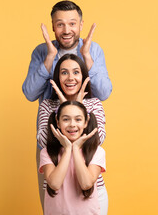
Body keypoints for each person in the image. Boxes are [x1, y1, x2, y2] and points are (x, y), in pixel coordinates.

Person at [37, 54, 108, 214]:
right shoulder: (47, 105)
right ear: (57, 77)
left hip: (90, 191)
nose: (70, 78)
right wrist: (64, 106)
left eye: (76, 72)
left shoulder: (94, 103)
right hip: (58, 192)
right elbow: (43, 141)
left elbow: (98, 139)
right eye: (64, 72)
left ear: (83, 76)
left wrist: (77, 105)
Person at [22, 0, 112, 104]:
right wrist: (50, 57)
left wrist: (86, 55)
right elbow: (30, 94)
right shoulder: (41, 51)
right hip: (49, 118)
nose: (66, 31)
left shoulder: (94, 50)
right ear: (53, 26)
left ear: (81, 25)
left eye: (72, 24)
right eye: (60, 24)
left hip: (85, 119)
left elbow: (104, 94)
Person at [39, 100, 106, 215]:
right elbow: (54, 184)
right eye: (66, 119)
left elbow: (86, 184)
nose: (72, 124)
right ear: (58, 123)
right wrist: (68, 149)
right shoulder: (47, 152)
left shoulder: (97, 151)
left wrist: (75, 149)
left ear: (86, 122)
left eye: (78, 119)